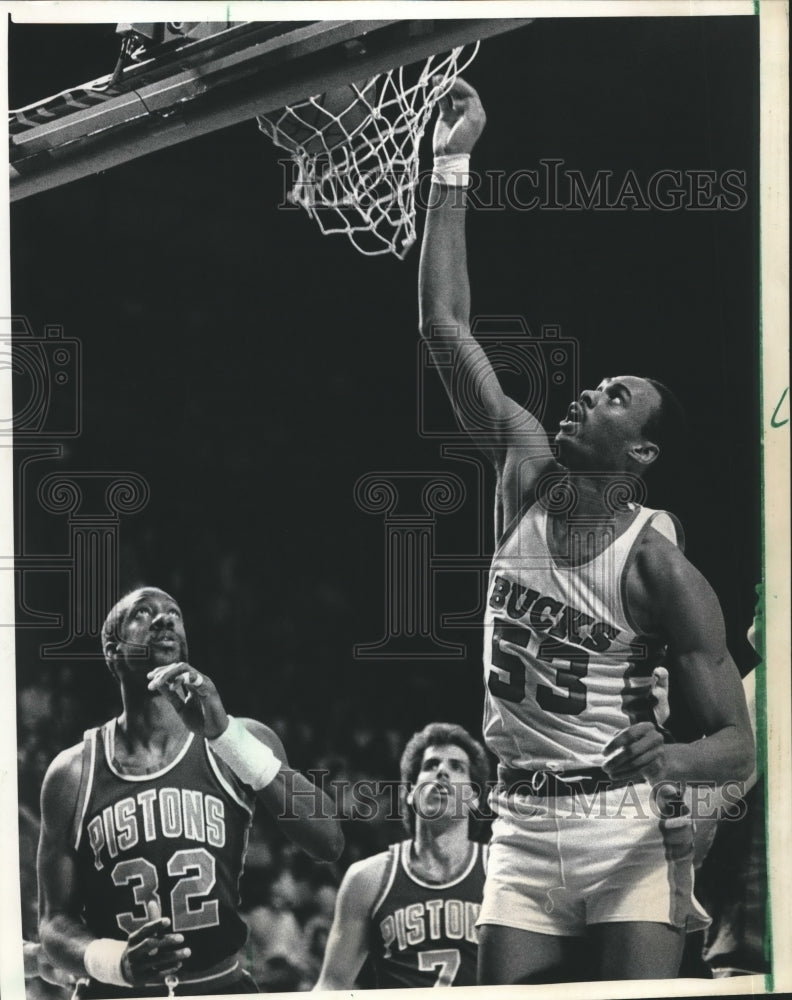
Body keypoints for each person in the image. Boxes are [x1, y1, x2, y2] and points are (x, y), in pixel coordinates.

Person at [417, 79, 754, 984]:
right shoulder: (523, 469)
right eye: (593, 383)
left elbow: (736, 741)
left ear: (641, 451)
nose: (586, 393)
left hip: (625, 832)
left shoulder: (657, 566)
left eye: (614, 396)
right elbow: (443, 325)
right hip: (522, 825)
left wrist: (677, 753)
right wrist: (454, 160)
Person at [36, 586, 344, 998]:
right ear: (111, 650)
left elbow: (329, 840)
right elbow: (54, 922)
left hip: (221, 986)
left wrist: (225, 736)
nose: (164, 619)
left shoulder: (241, 739)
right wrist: (117, 962)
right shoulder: (72, 772)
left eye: (174, 613)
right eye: (143, 613)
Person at [314, 722, 490, 990]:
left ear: (474, 797)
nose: (442, 771)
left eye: (457, 767)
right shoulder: (367, 879)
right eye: (430, 766)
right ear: (410, 793)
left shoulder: (499, 869)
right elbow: (332, 986)